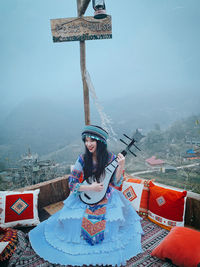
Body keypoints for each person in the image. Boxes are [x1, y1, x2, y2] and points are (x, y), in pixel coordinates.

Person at [29, 125, 143, 266]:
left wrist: (121, 165)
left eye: (92, 141)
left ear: (100, 142)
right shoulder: (83, 159)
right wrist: (90, 187)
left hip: (106, 195)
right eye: (86, 140)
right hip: (85, 193)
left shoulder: (110, 158)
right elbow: (72, 183)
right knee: (74, 221)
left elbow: (115, 182)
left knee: (110, 222)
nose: (88, 144)